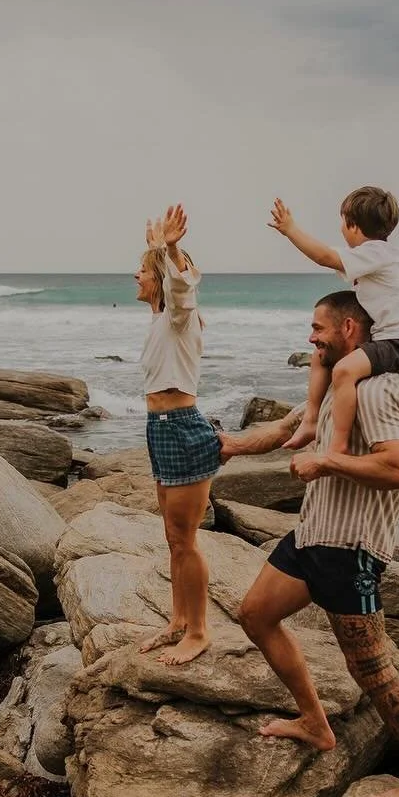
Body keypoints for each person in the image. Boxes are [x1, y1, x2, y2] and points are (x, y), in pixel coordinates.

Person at [221, 291, 399, 797]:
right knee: (256, 615)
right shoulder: (334, 389)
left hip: (351, 550)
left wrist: (326, 465)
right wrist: (230, 447)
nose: (310, 338)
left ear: (350, 329)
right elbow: (287, 431)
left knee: (372, 669)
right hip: (311, 538)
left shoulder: (377, 391)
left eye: (318, 328)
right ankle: (314, 723)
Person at [270, 188, 399, 455]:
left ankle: (337, 445)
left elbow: (325, 257)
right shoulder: (375, 257)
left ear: (353, 225)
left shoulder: (377, 253)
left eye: (342, 222)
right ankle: (311, 420)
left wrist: (290, 230)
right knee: (320, 357)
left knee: (343, 371)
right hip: (384, 339)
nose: (340, 229)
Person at [135, 203, 220, 666]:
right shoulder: (156, 324)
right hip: (159, 430)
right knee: (173, 538)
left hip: (185, 431)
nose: (135, 278)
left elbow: (183, 289)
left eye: (139, 272)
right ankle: (178, 621)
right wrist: (152, 248)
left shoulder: (178, 318)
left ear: (157, 280)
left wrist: (169, 249)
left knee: (186, 539)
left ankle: (201, 630)